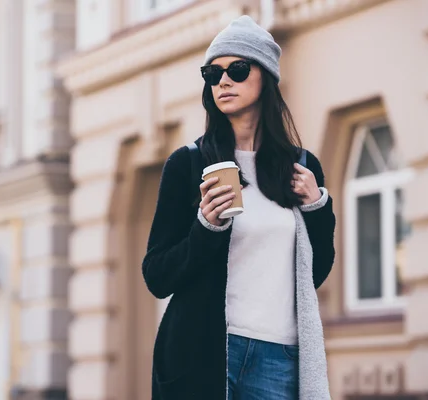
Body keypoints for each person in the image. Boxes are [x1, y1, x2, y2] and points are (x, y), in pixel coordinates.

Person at [142, 15, 335, 400]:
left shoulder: (302, 168)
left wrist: (317, 207)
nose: (224, 81)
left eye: (238, 69)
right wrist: (205, 227)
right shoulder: (188, 165)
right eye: (212, 73)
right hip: (201, 354)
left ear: (266, 77)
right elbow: (157, 275)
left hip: (278, 356)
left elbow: (315, 273)